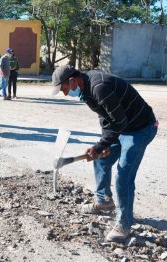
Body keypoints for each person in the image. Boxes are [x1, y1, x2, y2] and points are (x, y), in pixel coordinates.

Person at [52, 65, 158, 243]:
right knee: (100, 159)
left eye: (63, 89)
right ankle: (104, 201)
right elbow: (105, 116)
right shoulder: (85, 89)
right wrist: (103, 144)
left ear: (72, 81)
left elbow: (119, 120)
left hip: (141, 128)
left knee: (123, 177)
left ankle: (124, 223)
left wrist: (101, 145)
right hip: (123, 126)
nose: (64, 94)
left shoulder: (99, 87)